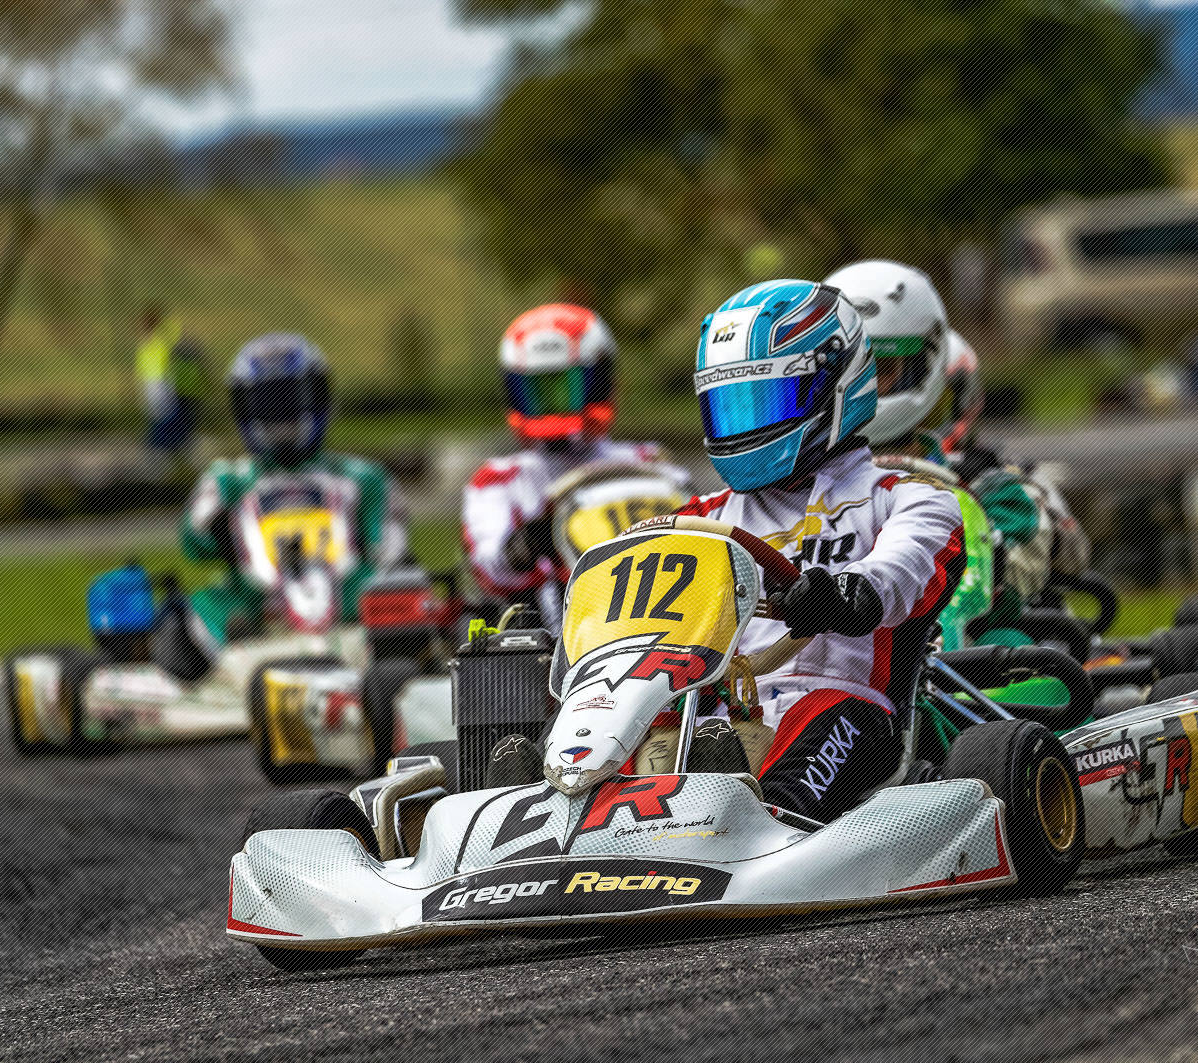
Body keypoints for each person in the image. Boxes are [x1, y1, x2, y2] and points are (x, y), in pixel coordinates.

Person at [681, 279, 967, 821]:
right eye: (731, 407)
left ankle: (761, 823)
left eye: (766, 401)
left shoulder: (908, 499)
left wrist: (844, 594)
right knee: (650, 718)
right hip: (716, 710)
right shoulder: (701, 519)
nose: (748, 424)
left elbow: (903, 570)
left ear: (835, 386)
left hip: (844, 705)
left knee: (821, 715)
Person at [823, 260, 1087, 642]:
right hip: (817, 658)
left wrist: (986, 551)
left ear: (922, 365)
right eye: (847, 372)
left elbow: (1044, 555)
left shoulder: (990, 488)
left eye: (879, 368)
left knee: (1013, 646)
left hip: (949, 657)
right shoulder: (796, 486)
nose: (859, 387)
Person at [157, 333, 409, 677]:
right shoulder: (228, 480)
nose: (280, 417)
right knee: (193, 611)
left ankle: (387, 662)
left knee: (399, 589)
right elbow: (193, 542)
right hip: (256, 610)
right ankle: (221, 667)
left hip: (348, 604)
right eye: (267, 404)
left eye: (288, 401)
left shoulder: (362, 477)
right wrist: (215, 527)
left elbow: (390, 549)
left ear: (317, 398)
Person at [461, 303, 686, 615]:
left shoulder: (650, 464)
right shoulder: (499, 480)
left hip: (664, 603)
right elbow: (490, 569)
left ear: (600, 383)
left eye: (566, 387)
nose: (553, 405)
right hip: (559, 623)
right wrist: (528, 543)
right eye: (539, 393)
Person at [134, 303, 205, 458]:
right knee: (165, 422)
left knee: (170, 421)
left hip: (167, 384)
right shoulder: (152, 340)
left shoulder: (166, 333)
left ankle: (168, 452)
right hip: (157, 383)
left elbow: (188, 348)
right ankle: (165, 452)